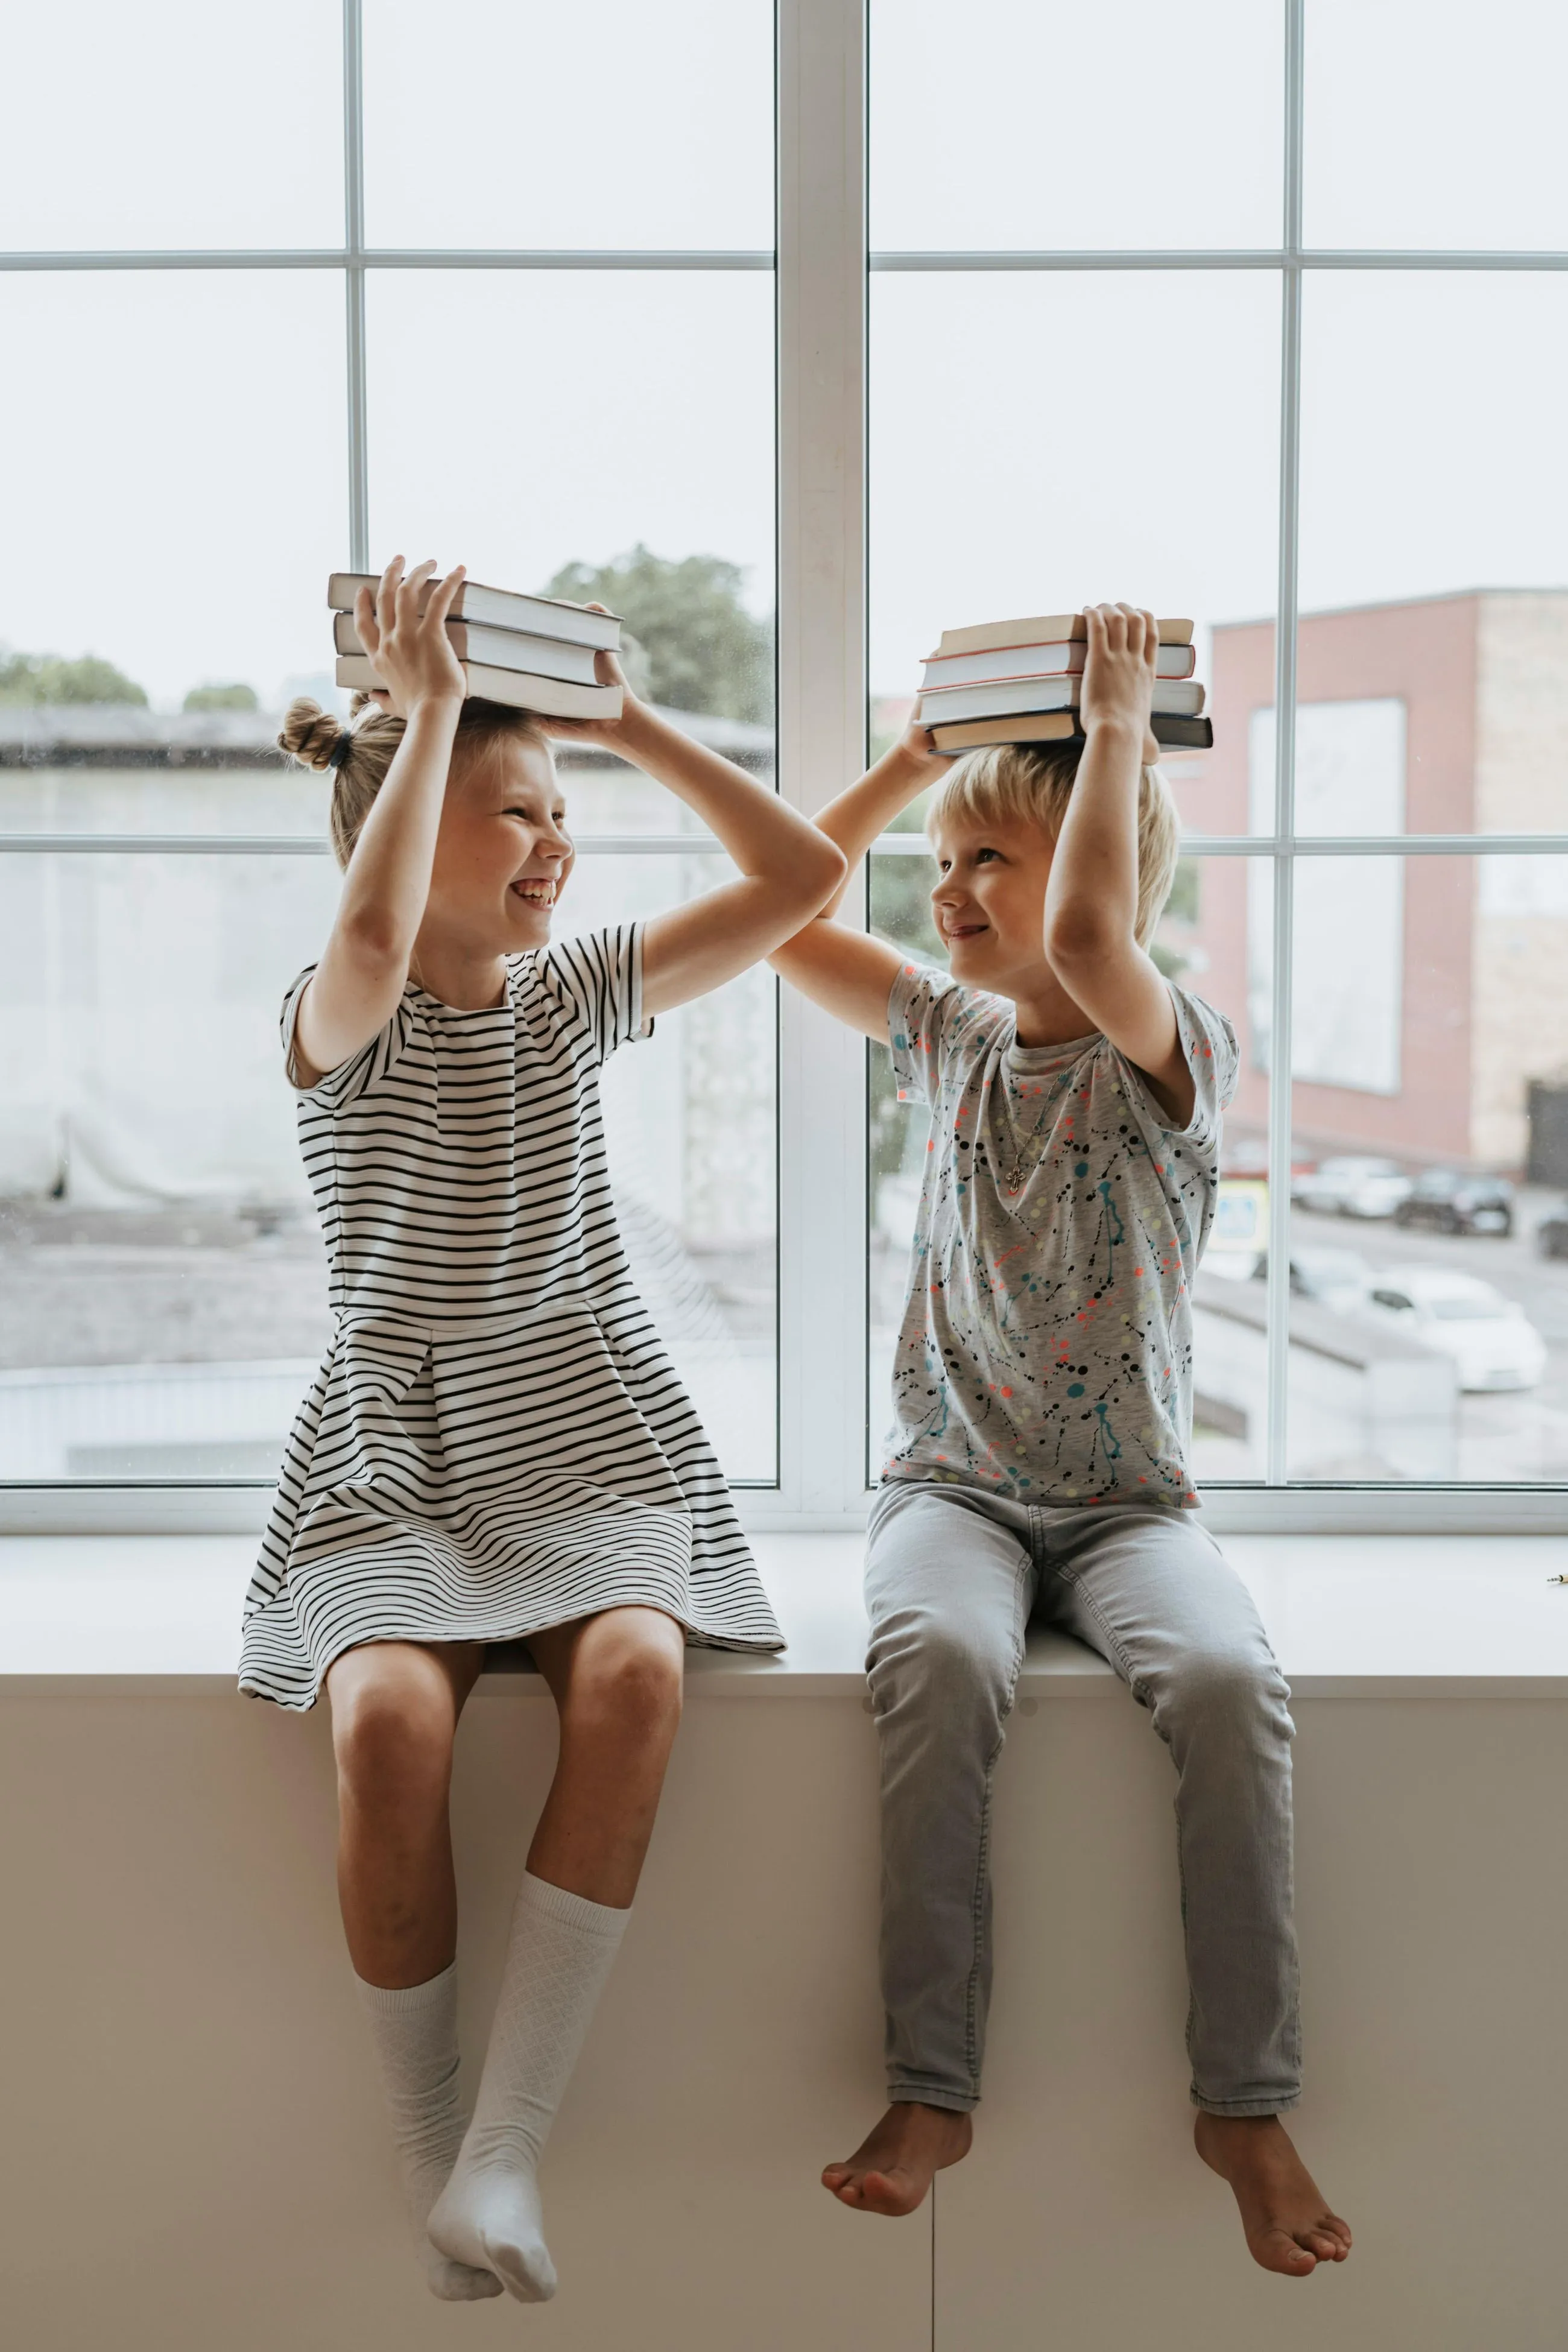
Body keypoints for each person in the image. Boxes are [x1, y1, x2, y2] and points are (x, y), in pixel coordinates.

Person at [238, 556, 844, 2304]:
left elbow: (800, 879)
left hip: (583, 1416)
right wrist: (432, 708)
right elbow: (369, 939)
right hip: (397, 1441)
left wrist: (624, 719)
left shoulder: (575, 995)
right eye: (518, 814)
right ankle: (435, 2157)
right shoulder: (335, 1015)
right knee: (391, 1731)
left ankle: (508, 2146)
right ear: (408, 831)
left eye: (560, 812)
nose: (555, 842)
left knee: (640, 1675)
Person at [770, 604, 1351, 2278]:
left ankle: (1242, 2095)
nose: (950, 889)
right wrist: (913, 762)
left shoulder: (1177, 1052)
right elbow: (788, 910)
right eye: (946, 860)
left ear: (1100, 856)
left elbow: (1094, 933)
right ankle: (931, 2082)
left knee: (1237, 1686)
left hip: (1127, 1509)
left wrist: (1110, 731)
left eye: (990, 859)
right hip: (954, 1488)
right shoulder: (947, 1035)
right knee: (937, 1660)